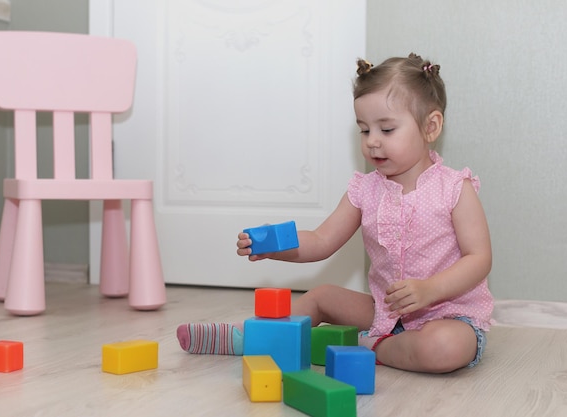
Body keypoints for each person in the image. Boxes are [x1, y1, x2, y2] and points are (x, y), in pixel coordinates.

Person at [176, 53, 493, 374]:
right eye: (364, 130)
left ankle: (371, 346)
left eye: (386, 129)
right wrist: (275, 246)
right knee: (322, 295)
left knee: (443, 348)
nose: (372, 142)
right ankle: (249, 338)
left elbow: (479, 258)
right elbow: (321, 240)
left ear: (431, 126)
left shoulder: (455, 188)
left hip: (448, 312)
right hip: (386, 310)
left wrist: (430, 290)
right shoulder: (364, 190)